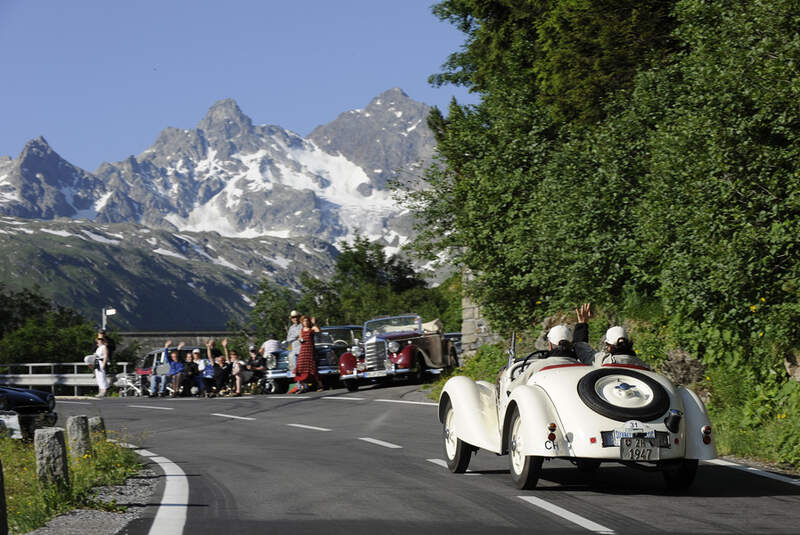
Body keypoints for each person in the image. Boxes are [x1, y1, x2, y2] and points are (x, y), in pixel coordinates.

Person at [292, 315, 322, 393]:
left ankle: (320, 385)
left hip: (310, 351)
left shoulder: (312, 329)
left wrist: (314, 323)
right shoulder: (301, 330)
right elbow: (299, 339)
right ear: (302, 322)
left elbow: (318, 331)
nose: (306, 322)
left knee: (312, 368)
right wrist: (300, 340)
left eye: (307, 321)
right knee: (300, 367)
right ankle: (302, 387)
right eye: (304, 321)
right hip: (303, 351)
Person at [93, 333, 109, 397]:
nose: (99, 340)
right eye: (98, 339)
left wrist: (104, 364)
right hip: (97, 363)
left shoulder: (104, 347)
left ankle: (104, 391)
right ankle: (100, 391)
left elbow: (105, 356)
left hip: (101, 363)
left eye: (100, 339)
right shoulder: (98, 348)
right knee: (98, 377)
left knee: (102, 377)